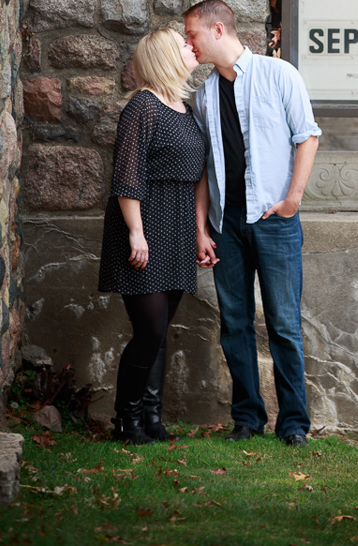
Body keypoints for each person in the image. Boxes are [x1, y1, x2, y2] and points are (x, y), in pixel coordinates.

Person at [184, 0, 321, 447]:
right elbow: (205, 169)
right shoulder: (204, 95)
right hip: (227, 227)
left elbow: (307, 137)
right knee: (235, 324)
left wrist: (291, 201)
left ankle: (294, 424)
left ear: (218, 30)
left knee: (283, 324)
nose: (190, 44)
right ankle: (246, 419)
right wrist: (203, 229)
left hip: (274, 222)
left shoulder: (279, 75)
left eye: (193, 35)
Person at [98, 26, 208, 445]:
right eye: (183, 44)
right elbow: (127, 178)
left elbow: (197, 176)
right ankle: (126, 421)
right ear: (165, 56)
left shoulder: (183, 107)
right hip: (143, 227)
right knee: (149, 330)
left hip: (177, 227)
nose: (190, 46)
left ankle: (151, 419)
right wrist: (136, 233)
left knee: (159, 331)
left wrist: (198, 232)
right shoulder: (141, 108)